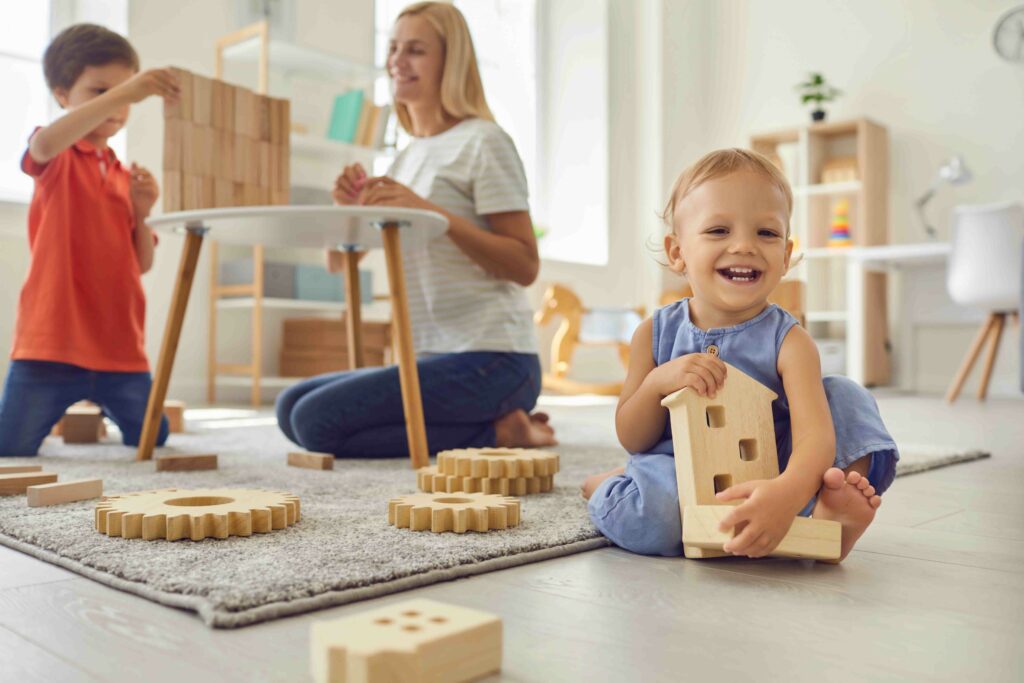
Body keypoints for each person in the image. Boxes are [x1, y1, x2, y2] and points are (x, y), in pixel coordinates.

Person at [582, 149, 898, 561]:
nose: (745, 246)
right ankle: (604, 487)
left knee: (846, 395)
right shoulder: (653, 334)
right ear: (677, 252)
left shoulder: (790, 340)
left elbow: (813, 437)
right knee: (655, 520)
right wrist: (659, 381)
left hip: (772, 472)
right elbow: (632, 435)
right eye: (718, 231)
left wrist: (786, 491)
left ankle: (828, 508)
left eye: (766, 234)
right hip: (678, 472)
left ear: (785, 255)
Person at [276, 2, 555, 457]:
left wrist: (432, 214)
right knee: (290, 406)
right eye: (393, 48)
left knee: (315, 423)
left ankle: (498, 433)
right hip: (430, 357)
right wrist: (345, 210)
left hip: (495, 359)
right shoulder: (406, 159)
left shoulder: (484, 141)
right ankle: (493, 427)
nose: (397, 62)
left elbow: (524, 265)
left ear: (451, 61)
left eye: (416, 50)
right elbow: (337, 263)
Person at [0, 24, 180, 456]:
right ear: (63, 94)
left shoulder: (124, 174)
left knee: (154, 439)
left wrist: (141, 211)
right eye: (99, 91)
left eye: (123, 93)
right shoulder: (58, 155)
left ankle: (104, 406)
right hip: (50, 345)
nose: (117, 105)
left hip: (119, 348)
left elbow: (142, 264)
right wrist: (127, 91)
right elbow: (43, 144)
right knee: (9, 446)